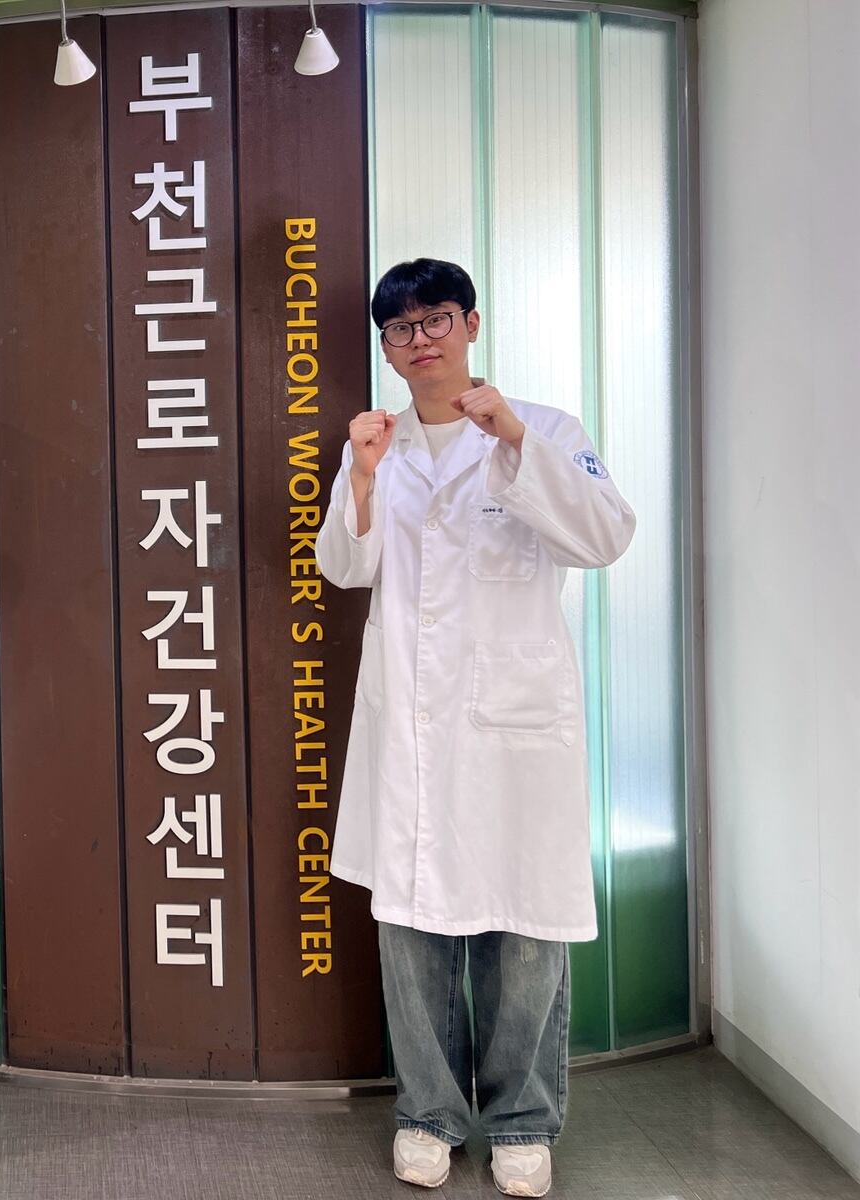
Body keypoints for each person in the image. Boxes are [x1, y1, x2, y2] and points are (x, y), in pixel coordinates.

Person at [316, 259, 636, 1197]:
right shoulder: (378, 445)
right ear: (386, 348)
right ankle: (427, 1113)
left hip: (514, 729)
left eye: (437, 319)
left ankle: (524, 1120)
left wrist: (516, 443)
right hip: (414, 727)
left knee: (524, 932)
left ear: (472, 325)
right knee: (412, 927)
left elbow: (605, 537)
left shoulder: (548, 430)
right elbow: (344, 566)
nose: (421, 339)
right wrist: (361, 478)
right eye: (401, 328)